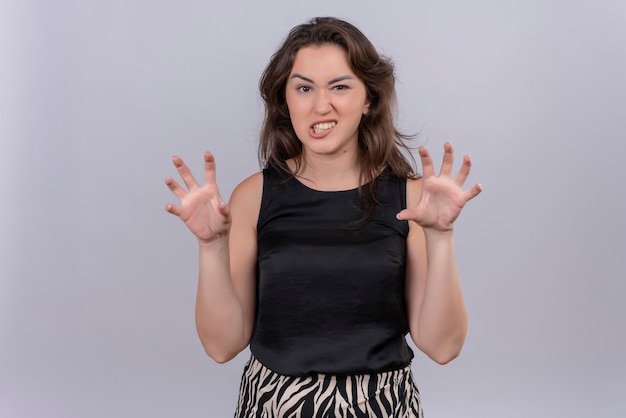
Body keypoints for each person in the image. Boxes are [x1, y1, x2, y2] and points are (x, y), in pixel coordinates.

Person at [165, 16, 482, 418]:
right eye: (304, 88)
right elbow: (221, 346)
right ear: (285, 100)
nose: (320, 105)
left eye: (340, 86)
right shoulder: (252, 197)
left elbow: (443, 347)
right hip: (274, 406)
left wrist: (441, 237)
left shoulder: (412, 198)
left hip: (382, 407)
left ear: (369, 99)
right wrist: (211, 246)